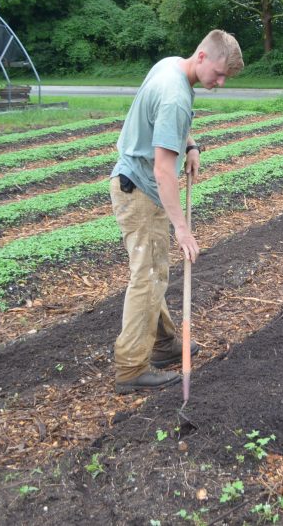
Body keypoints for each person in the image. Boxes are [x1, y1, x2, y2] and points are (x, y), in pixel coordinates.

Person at [109, 29, 244, 393]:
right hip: (140, 188)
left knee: (154, 269)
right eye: (218, 74)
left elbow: (166, 126)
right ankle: (131, 368)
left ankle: (165, 343)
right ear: (202, 56)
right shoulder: (175, 97)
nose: (219, 82)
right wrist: (182, 230)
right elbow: (163, 170)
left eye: (225, 78)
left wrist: (191, 143)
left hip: (134, 182)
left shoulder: (172, 66)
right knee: (148, 275)